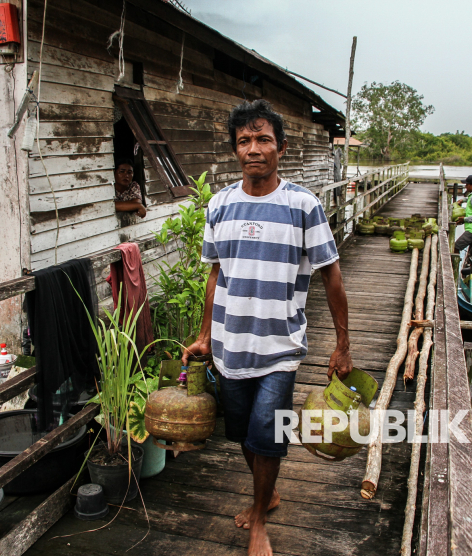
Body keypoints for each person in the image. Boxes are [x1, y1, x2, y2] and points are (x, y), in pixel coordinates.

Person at [182, 99, 352, 556]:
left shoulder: (303, 205)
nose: (253, 149)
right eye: (244, 141)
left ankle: (259, 519)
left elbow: (330, 272)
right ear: (235, 150)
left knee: (268, 434)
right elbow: (214, 274)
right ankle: (268, 494)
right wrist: (203, 335)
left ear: (280, 147)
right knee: (243, 435)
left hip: (281, 345)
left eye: (263, 140)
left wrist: (343, 343)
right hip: (230, 345)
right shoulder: (219, 206)